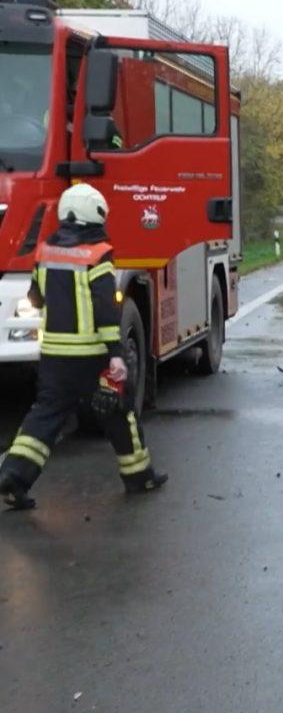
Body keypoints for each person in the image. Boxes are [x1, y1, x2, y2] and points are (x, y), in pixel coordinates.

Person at [0, 184, 167, 510]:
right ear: (95, 215)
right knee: (120, 411)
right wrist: (116, 354)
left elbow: (35, 298)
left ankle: (13, 475)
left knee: (45, 416)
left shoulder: (45, 252)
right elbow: (106, 309)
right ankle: (138, 476)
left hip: (54, 356)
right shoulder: (98, 254)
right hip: (93, 356)